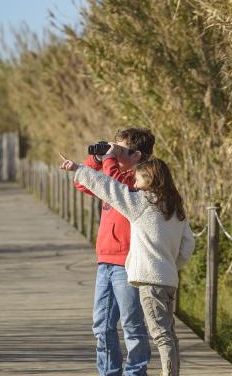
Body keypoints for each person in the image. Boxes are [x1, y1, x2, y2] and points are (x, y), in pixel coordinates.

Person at [60, 150, 195, 376]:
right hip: (168, 279)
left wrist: (78, 168)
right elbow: (187, 246)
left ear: (150, 179)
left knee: (159, 333)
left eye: (139, 178)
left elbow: (109, 188)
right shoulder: (175, 208)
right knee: (167, 332)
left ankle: (168, 373)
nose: (134, 181)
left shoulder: (141, 203)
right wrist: (170, 265)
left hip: (148, 278)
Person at [72, 129, 155, 376]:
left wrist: (109, 160)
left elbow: (115, 186)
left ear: (137, 156)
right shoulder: (111, 175)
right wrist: (96, 160)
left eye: (119, 150)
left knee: (132, 325)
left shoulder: (138, 183)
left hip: (128, 264)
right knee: (102, 326)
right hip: (105, 262)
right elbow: (81, 181)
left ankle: (135, 373)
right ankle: (108, 372)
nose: (112, 154)